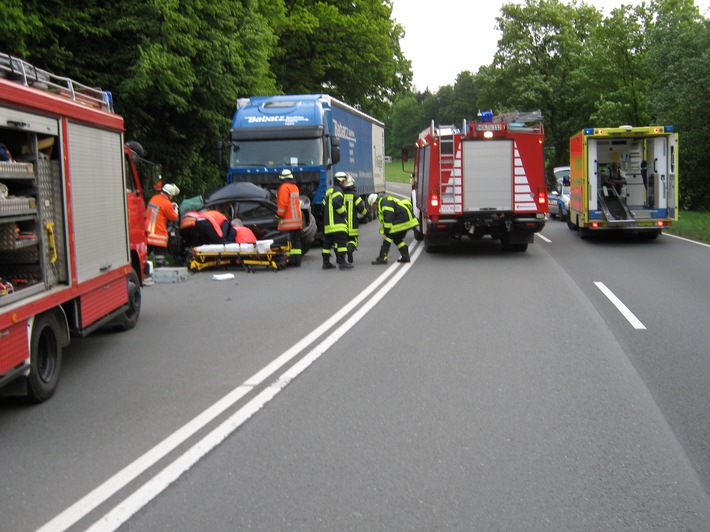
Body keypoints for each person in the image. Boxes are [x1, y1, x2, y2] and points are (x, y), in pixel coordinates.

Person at [368, 193, 419, 264]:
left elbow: (388, 219)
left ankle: (383, 258)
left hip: (403, 221)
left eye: (372, 205)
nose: (373, 208)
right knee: (397, 238)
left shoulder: (385, 204)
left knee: (389, 237)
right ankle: (405, 257)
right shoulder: (383, 202)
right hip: (405, 220)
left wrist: (386, 233)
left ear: (375, 202)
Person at [321, 172, 353, 270]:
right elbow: (337, 203)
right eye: (344, 181)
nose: (345, 183)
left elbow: (323, 206)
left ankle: (326, 263)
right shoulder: (339, 191)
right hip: (338, 224)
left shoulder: (329, 191)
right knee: (342, 243)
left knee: (327, 244)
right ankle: (342, 262)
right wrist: (344, 213)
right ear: (340, 181)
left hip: (328, 225)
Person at [146, 183, 180, 265]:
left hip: (147, 233)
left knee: (145, 258)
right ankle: (160, 270)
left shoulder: (154, 199)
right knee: (160, 261)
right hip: (159, 235)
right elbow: (175, 218)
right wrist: (175, 209)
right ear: (170, 195)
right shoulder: (166, 203)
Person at [276, 169, 303, 267]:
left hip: (288, 221)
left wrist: (279, 215)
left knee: (287, 242)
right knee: (296, 243)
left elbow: (283, 203)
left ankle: (289, 260)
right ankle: (297, 261)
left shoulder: (284, 187)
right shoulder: (294, 187)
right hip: (297, 220)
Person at [342, 175, 368, 263]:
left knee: (340, 242)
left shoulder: (339, 194)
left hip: (340, 224)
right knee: (353, 240)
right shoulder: (355, 195)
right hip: (352, 224)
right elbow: (361, 209)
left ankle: (340, 258)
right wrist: (366, 214)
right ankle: (350, 250)